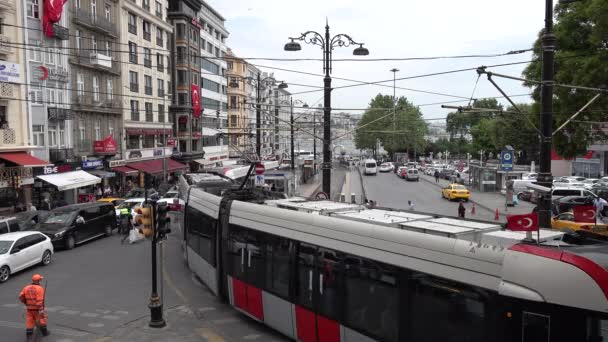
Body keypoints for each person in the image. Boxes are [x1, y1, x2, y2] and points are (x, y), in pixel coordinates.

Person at [18, 274, 49, 338]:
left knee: (30, 321)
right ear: (38, 281)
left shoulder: (26, 287)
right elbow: (39, 300)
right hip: (37, 309)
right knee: (42, 319)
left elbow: (21, 296)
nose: (41, 281)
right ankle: (45, 332)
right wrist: (41, 310)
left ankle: (29, 335)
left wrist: (25, 302)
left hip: (29, 308)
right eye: (40, 280)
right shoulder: (40, 288)